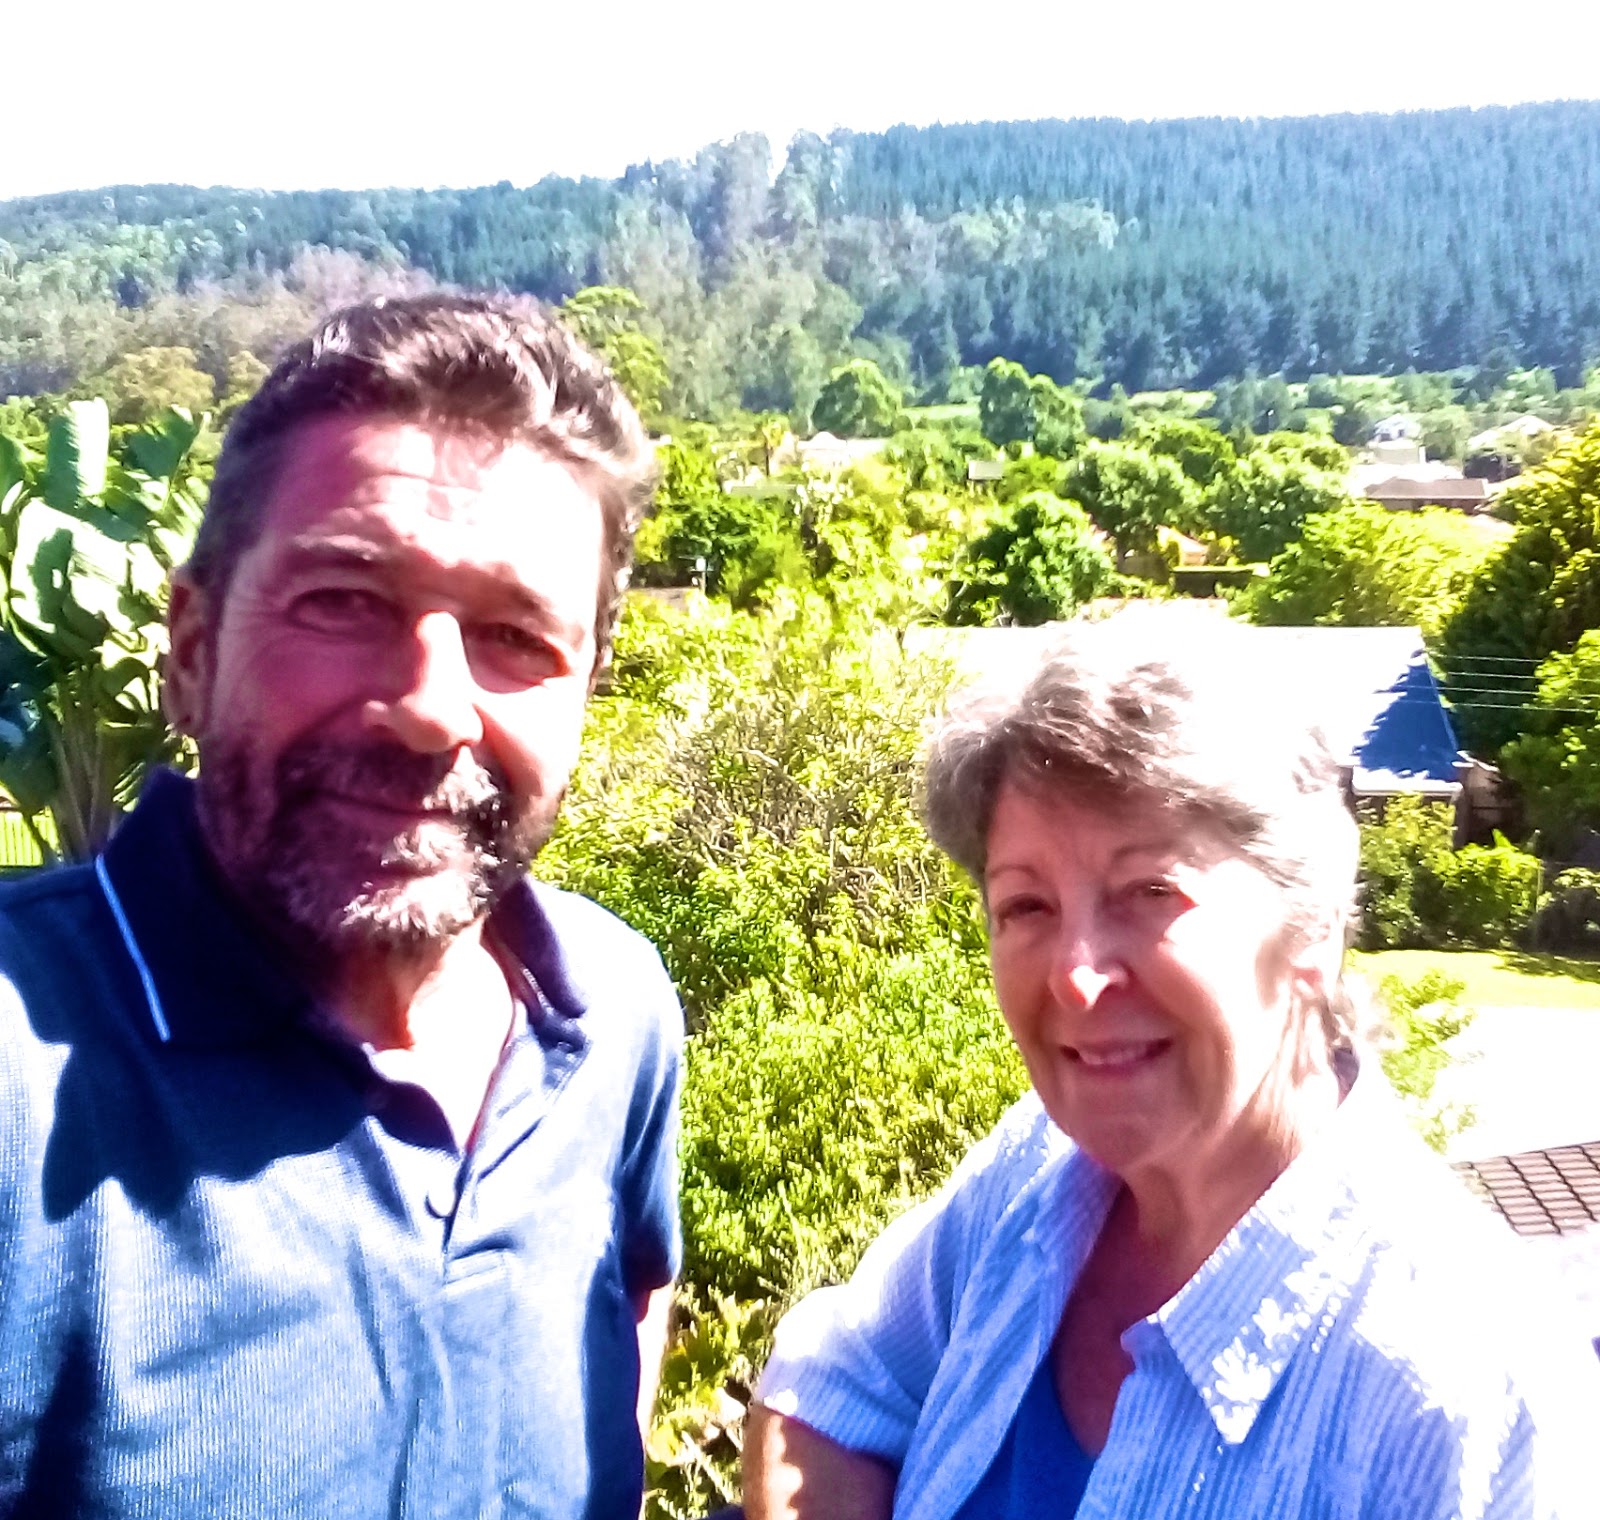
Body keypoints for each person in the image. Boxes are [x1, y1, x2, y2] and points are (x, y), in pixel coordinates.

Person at [0, 294, 683, 1519]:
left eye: (515, 635)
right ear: (192, 648)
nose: (431, 707)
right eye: (343, 601)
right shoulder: (23, 1072)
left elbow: (630, 1296)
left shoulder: (609, 1013)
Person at [743, 613, 1600, 1520]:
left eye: (1150, 891)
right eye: (1026, 905)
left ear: (1311, 926)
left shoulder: (1470, 1398)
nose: (1076, 977)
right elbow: (830, 1384)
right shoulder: (1031, 1179)